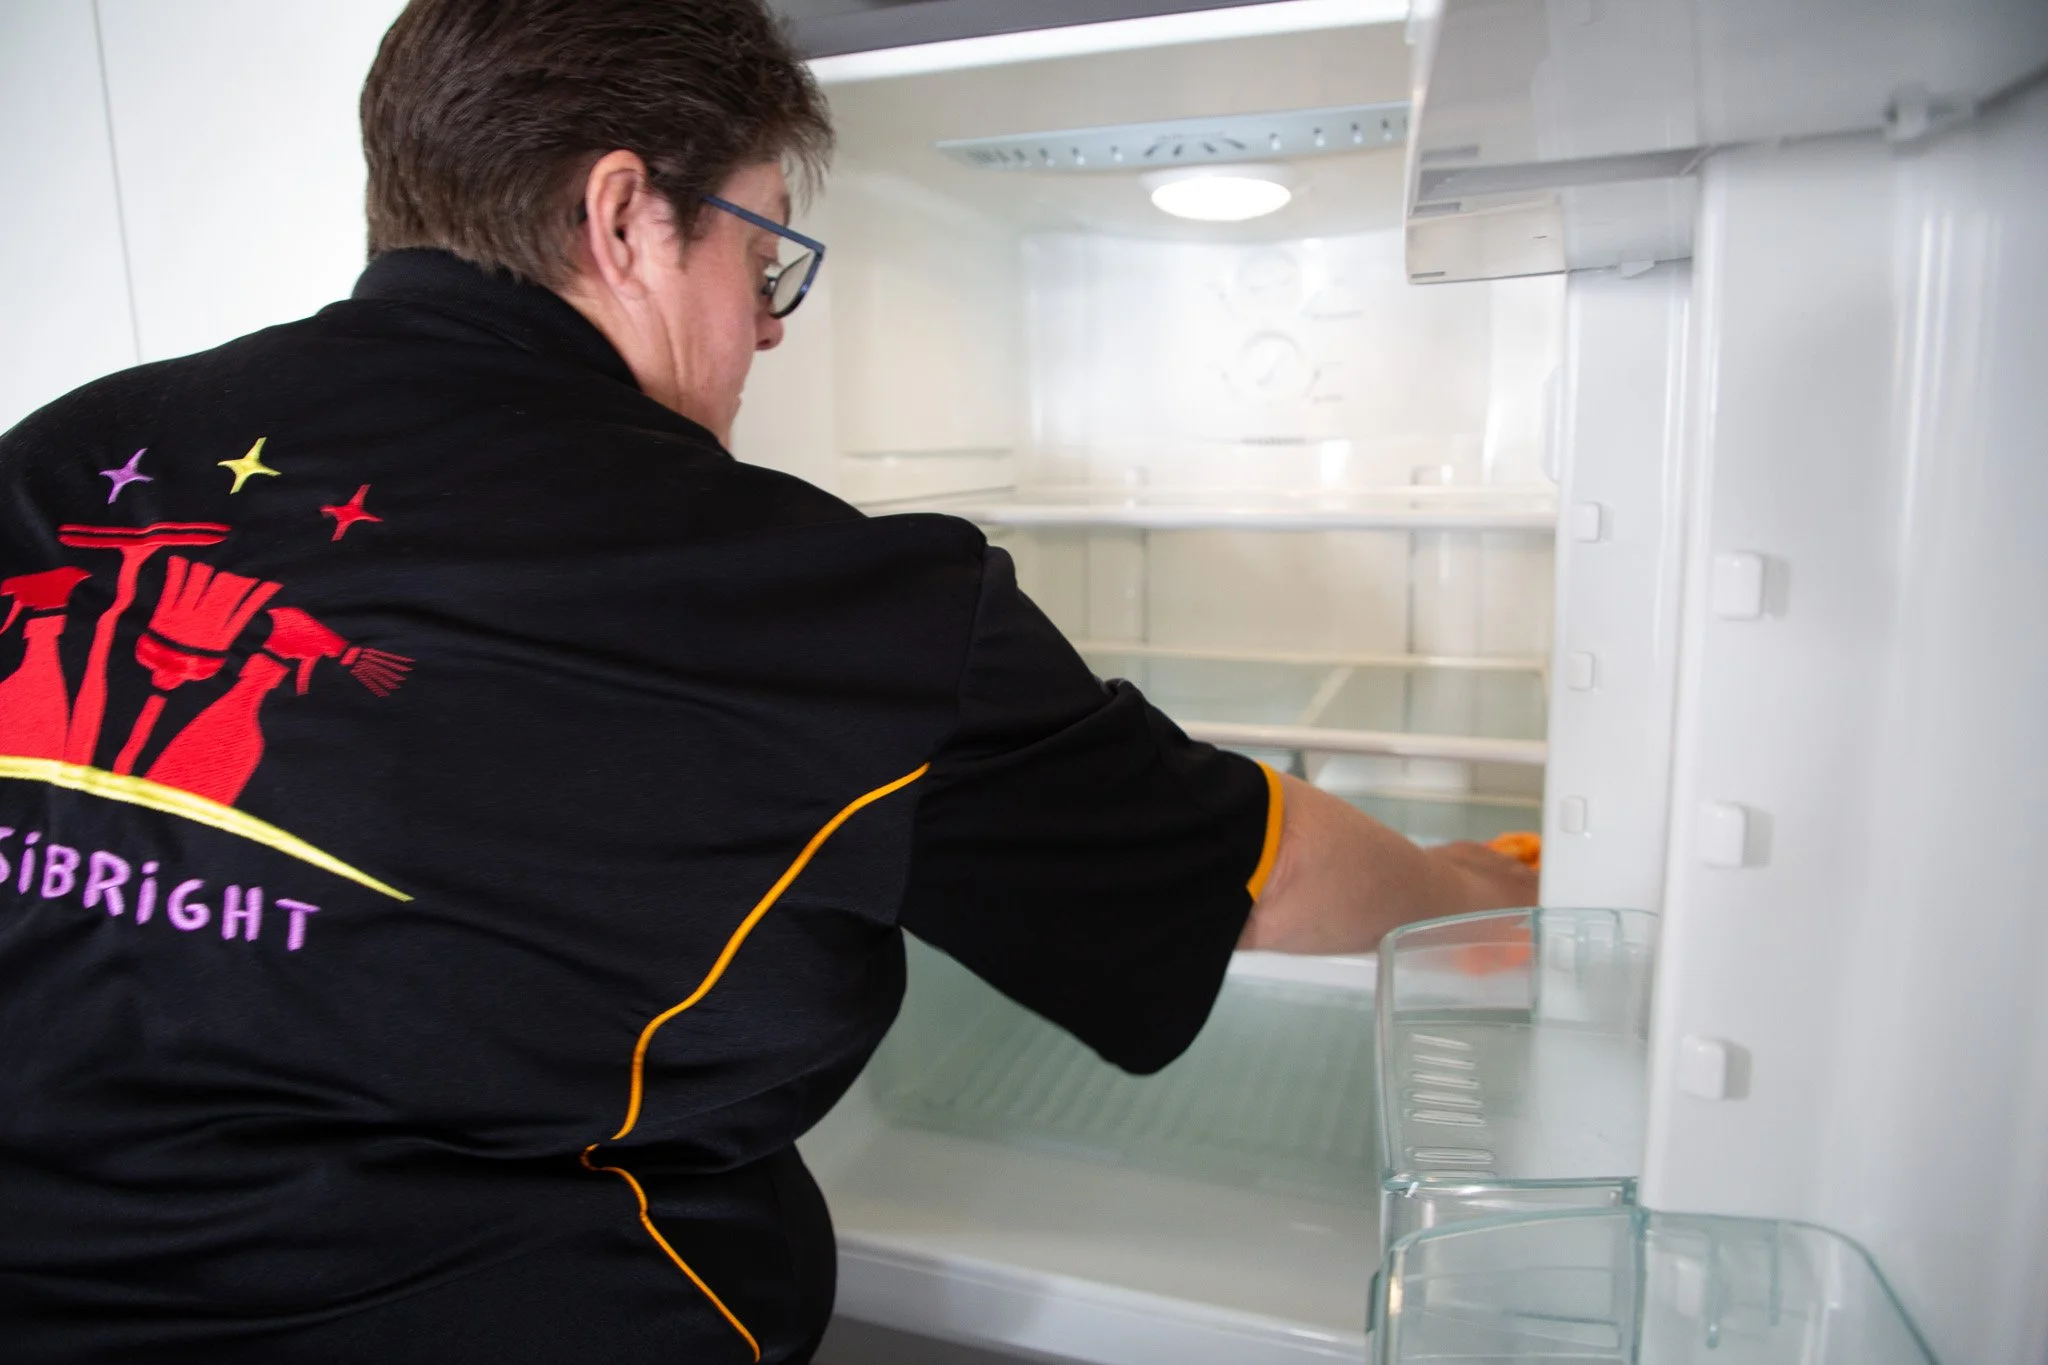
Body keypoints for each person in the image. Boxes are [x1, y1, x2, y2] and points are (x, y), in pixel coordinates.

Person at [0, 1, 1536, 1360]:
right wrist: (1472, 878)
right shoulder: (822, 595)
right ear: (623, 216)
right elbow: (1237, 870)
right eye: (763, 251)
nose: (771, 330)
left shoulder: (62, 452)